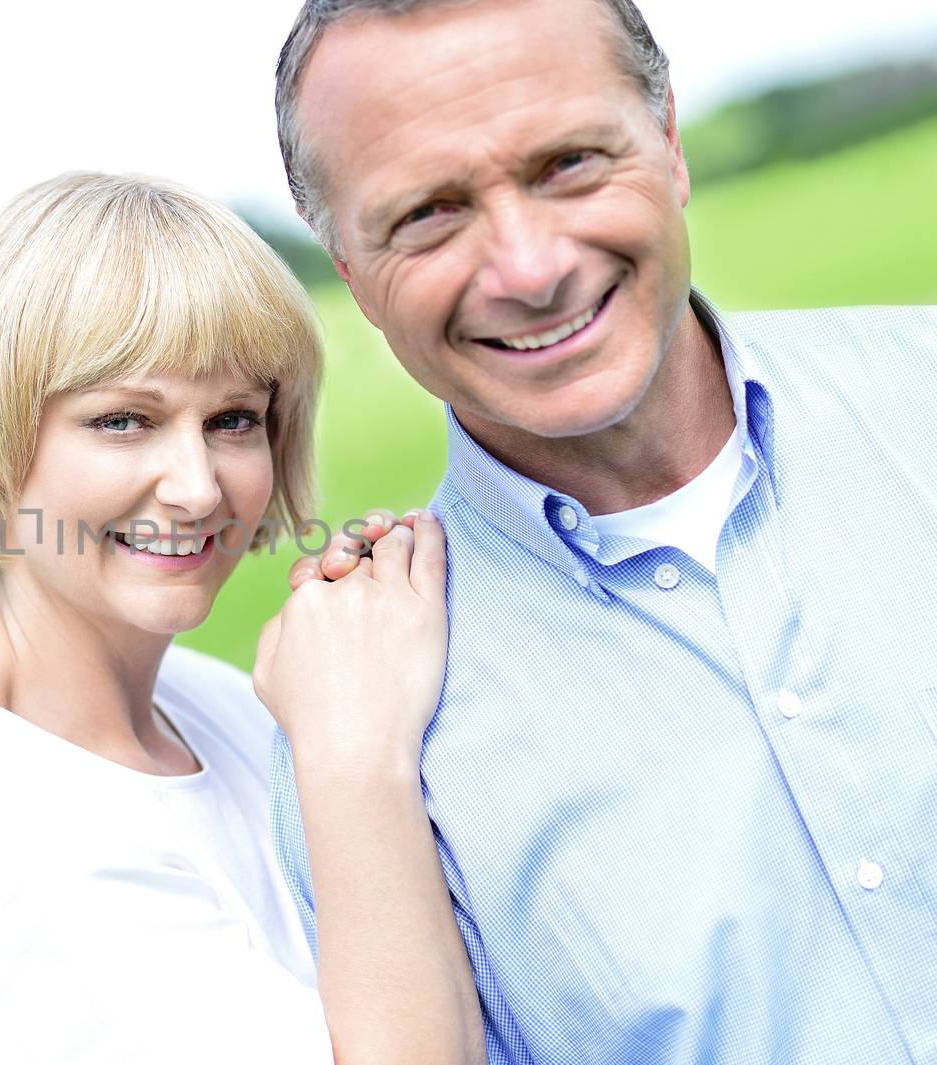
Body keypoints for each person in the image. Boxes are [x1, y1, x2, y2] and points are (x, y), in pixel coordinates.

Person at [265, 0, 937, 1061]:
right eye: (429, 214)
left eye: (570, 162)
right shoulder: (363, 740)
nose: (529, 269)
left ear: (666, 143)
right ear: (350, 272)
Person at [0, 171, 486, 1064]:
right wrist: (356, 751)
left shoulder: (203, 702)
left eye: (232, 419)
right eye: (123, 421)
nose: (197, 485)